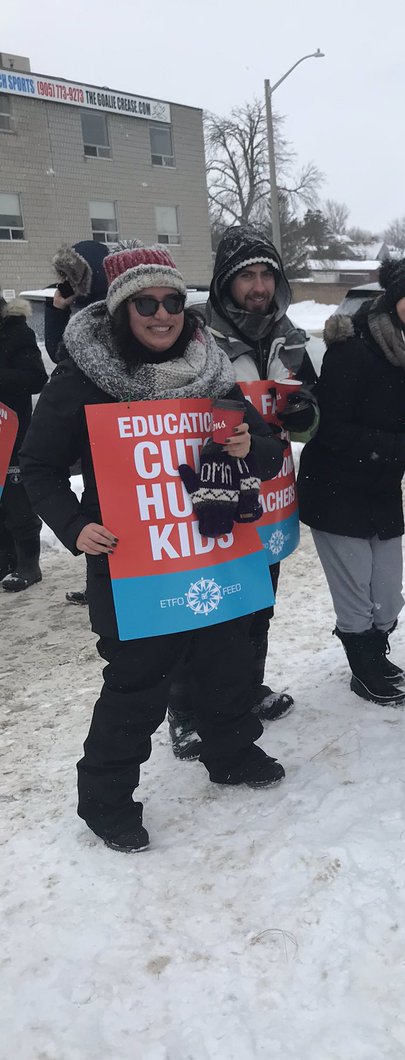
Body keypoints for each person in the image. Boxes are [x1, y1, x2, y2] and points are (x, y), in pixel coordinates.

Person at [20, 244, 286, 852]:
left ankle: (230, 752)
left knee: (226, 662)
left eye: (172, 302)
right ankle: (106, 801)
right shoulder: (86, 377)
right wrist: (74, 526)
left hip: (212, 550)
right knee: (138, 682)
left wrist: (254, 449)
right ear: (122, 310)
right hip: (132, 562)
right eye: (147, 303)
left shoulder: (213, 371)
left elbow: (269, 452)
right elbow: (36, 466)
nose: (162, 314)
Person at [165, 227, 320, 758]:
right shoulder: (194, 334)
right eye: (247, 275)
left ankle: (245, 688)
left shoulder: (291, 336)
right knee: (205, 605)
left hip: (271, 490)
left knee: (260, 600)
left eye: (266, 274)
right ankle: (183, 710)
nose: (258, 285)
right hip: (213, 490)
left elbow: (310, 419)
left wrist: (304, 415)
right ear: (226, 283)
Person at [296, 258, 405, 705]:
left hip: (380, 489)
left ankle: (375, 652)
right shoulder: (353, 349)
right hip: (335, 488)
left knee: (388, 593)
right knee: (355, 588)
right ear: (393, 299)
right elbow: (331, 429)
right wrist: (400, 447)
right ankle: (364, 668)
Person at [44, 240, 112, 604]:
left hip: (121, 431)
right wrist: (57, 307)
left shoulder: (112, 313)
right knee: (100, 507)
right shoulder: (76, 310)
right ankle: (100, 582)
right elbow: (60, 353)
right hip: (94, 435)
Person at [0, 295, 48, 591]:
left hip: (12, 431)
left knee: (17, 501)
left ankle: (28, 563)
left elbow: (36, 379)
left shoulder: (17, 331)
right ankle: (4, 562)